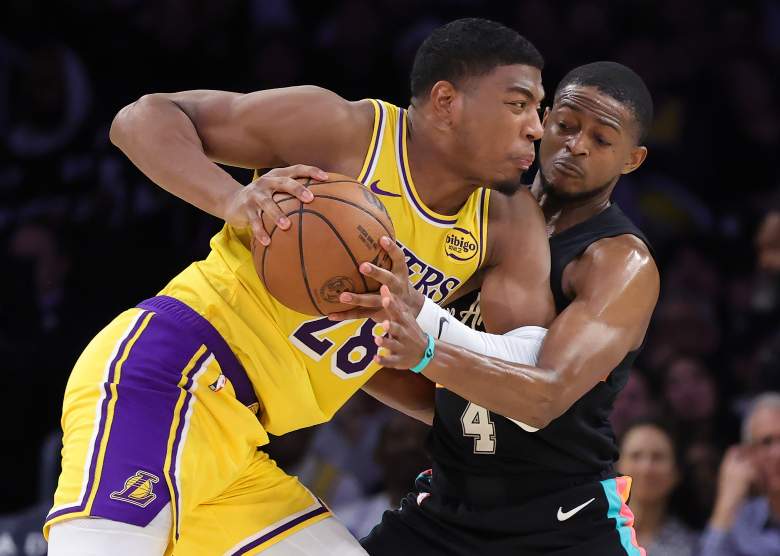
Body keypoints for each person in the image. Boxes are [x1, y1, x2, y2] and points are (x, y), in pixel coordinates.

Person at [44, 18, 556, 555]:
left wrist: (425, 348)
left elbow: (512, 380)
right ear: (447, 101)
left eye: (539, 110)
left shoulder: (507, 226)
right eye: (518, 104)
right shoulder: (343, 131)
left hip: (240, 443)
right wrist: (232, 200)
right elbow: (141, 118)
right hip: (171, 375)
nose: (536, 128)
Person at [351, 61, 659, 555]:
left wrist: (427, 352)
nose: (576, 145)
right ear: (544, 121)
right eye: (566, 126)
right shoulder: (479, 213)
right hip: (448, 506)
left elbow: (543, 399)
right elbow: (441, 400)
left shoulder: (617, 261)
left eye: (602, 140)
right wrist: (338, 342)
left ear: (632, 159)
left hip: (562, 522)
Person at [699, 392, 780, 555]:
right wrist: (726, 503)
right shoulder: (737, 523)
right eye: (767, 442)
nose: (778, 453)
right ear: (749, 455)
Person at [617, 419, 698, 555]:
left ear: (676, 472)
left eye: (658, 457)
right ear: (617, 467)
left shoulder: (691, 545)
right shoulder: (590, 532)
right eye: (635, 456)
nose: (646, 469)